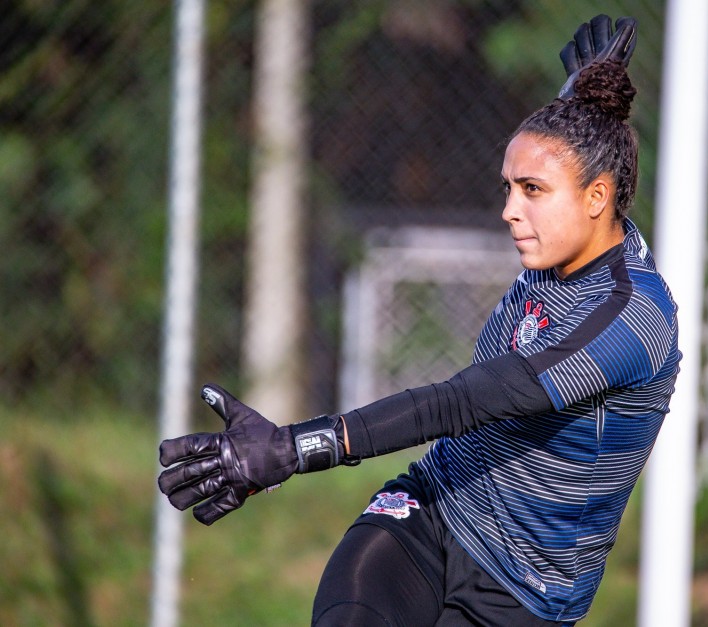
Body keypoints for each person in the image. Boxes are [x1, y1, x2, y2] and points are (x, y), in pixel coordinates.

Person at [158, 14, 680, 626]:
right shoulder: (565, 233)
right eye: (508, 187)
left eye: (531, 190)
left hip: (522, 595)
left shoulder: (633, 317)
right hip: (431, 510)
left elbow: (465, 401)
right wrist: (584, 96)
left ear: (597, 198)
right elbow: (572, 152)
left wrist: (294, 448)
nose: (509, 210)